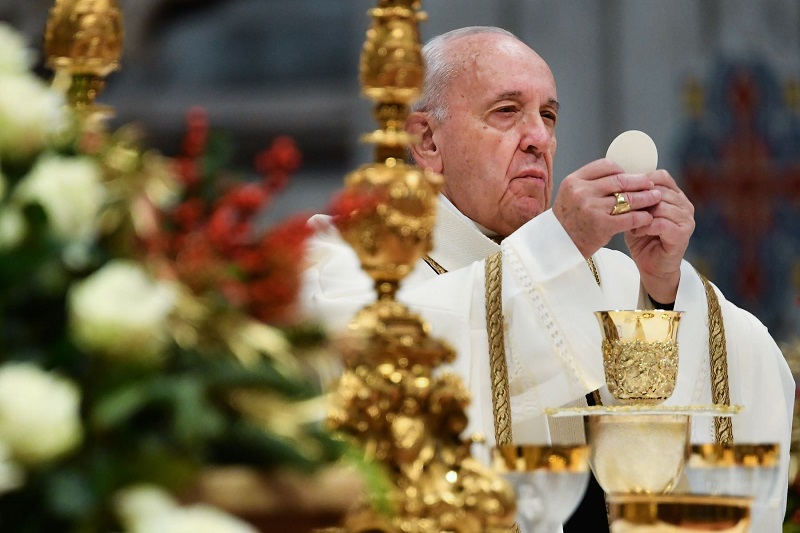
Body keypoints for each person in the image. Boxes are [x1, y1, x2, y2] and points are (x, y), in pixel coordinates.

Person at [301, 26, 794, 531]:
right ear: (427, 140)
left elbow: (753, 368)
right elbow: (389, 371)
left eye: (549, 116)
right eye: (507, 111)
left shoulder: (610, 274)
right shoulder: (350, 261)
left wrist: (663, 292)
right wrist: (557, 246)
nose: (539, 138)